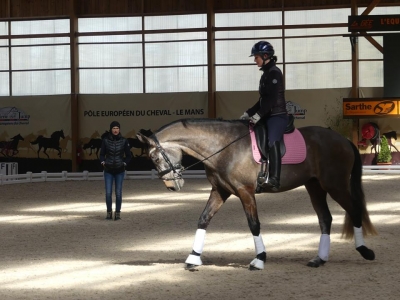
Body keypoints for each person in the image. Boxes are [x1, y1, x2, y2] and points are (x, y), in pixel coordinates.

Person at [240, 41, 288, 191]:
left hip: (277, 116)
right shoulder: (266, 74)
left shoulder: (274, 73)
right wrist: (249, 113)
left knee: (272, 141)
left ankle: (275, 179)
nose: (255, 60)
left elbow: (272, 100)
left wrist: (258, 115)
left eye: (256, 57)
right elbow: (262, 100)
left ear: (265, 56)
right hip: (267, 114)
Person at [99, 121, 132, 220]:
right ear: (111, 129)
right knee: (108, 193)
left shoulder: (124, 141)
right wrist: (103, 162)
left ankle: (117, 213)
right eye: (114, 128)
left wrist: (124, 163)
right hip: (108, 170)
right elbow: (101, 154)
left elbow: (129, 156)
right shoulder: (105, 141)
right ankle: (109, 212)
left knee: (118, 193)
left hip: (120, 170)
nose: (115, 130)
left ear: (119, 129)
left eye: (117, 128)